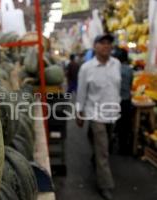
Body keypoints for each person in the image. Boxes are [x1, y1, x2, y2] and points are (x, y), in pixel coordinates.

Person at [76, 34, 121, 200]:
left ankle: (96, 160)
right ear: (95, 47)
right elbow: (81, 92)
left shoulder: (116, 64)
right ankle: (105, 185)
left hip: (113, 115)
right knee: (103, 151)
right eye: (102, 43)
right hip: (95, 114)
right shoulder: (87, 68)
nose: (106, 46)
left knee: (103, 147)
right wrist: (79, 112)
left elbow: (117, 88)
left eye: (109, 43)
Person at [112, 47, 134, 155]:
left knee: (114, 124)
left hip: (115, 101)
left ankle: (110, 144)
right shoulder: (129, 70)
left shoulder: (114, 69)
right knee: (125, 126)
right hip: (126, 101)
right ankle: (123, 147)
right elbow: (130, 85)